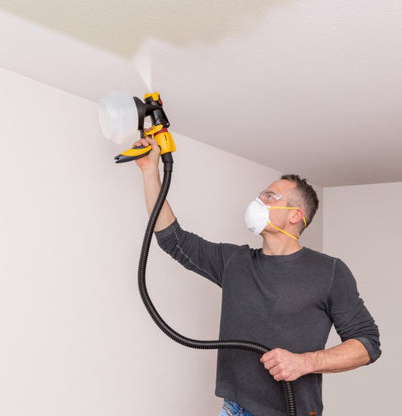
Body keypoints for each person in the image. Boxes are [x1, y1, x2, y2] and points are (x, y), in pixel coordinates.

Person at [134, 137, 381, 416]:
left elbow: (367, 343)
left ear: (295, 215)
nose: (258, 201)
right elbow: (173, 239)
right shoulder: (235, 262)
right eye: (260, 195)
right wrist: (149, 171)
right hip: (233, 409)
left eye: (269, 197)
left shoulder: (329, 271)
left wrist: (304, 363)